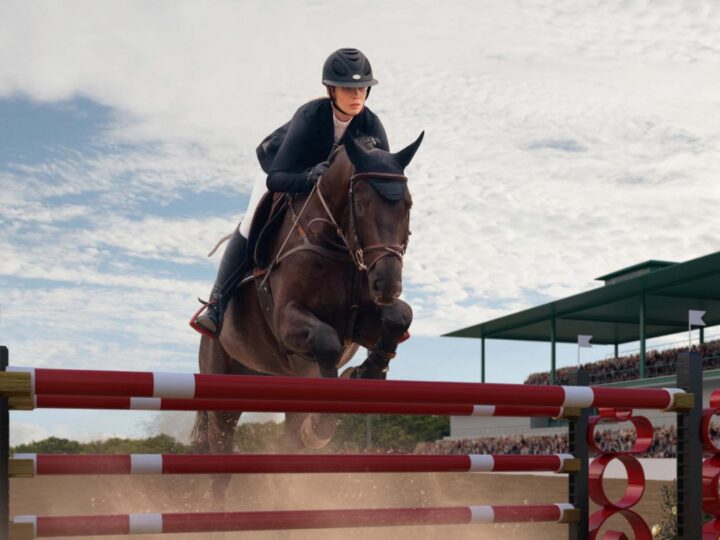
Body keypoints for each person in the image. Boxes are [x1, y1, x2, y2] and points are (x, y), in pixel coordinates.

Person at [193, 48, 390, 338]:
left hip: (330, 190)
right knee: (250, 222)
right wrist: (310, 177)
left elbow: (380, 179)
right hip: (283, 170)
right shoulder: (310, 116)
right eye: (348, 88)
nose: (356, 94)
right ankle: (217, 304)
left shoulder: (371, 124)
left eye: (361, 87)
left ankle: (380, 304)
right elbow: (277, 179)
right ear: (331, 90)